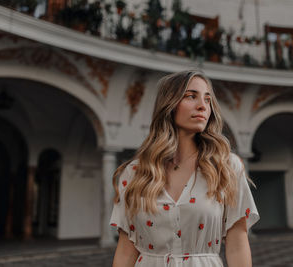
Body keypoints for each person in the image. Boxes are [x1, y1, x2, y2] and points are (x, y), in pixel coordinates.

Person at [110, 70, 259, 267]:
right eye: (191, 96)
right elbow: (126, 250)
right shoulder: (135, 172)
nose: (202, 106)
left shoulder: (226, 166)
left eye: (207, 100)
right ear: (169, 105)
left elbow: (237, 244)